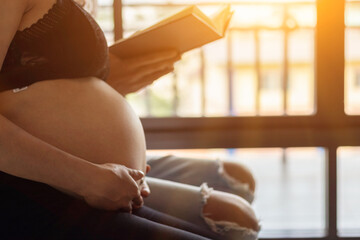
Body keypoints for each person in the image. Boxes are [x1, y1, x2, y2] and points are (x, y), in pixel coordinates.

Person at [0, 0, 260, 239]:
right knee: (233, 225)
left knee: (238, 216)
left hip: (103, 179)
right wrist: (86, 179)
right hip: (44, 186)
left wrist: (111, 84)